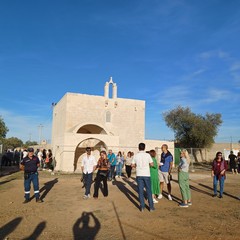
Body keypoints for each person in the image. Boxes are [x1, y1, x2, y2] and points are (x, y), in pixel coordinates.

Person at [132, 143, 154, 212]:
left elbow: (132, 165)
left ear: (138, 148)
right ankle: (151, 207)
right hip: (147, 174)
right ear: (144, 148)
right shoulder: (148, 155)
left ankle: (142, 207)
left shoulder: (136, 156)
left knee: (140, 191)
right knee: (149, 191)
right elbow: (152, 164)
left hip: (139, 174)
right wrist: (148, 167)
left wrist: (137, 167)